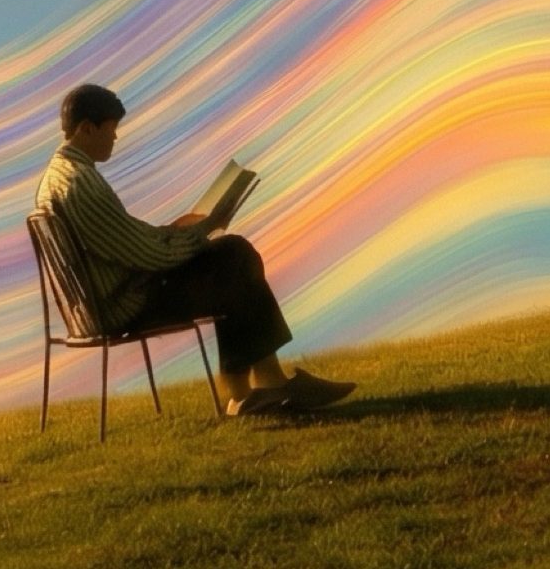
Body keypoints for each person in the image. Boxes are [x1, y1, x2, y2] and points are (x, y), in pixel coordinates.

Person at [34, 82, 353, 420]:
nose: (115, 138)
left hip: (103, 303)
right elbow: (148, 257)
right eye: (112, 129)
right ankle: (262, 385)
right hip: (124, 306)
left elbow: (122, 241)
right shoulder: (80, 183)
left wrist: (174, 231)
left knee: (229, 263)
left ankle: (249, 391)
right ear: (87, 128)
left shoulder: (58, 177)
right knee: (233, 254)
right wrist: (203, 230)